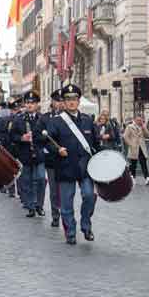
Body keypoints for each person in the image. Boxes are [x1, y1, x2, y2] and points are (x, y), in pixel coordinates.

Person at [41, 84, 98, 245]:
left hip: (85, 167)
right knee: (66, 203)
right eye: (68, 99)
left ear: (79, 101)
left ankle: (86, 225)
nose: (71, 102)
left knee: (89, 195)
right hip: (65, 166)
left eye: (74, 99)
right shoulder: (56, 122)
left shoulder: (87, 121)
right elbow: (47, 142)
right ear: (64, 103)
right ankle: (71, 232)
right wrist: (57, 150)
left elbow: (96, 144)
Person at [10, 91, 47, 218]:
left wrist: (37, 138)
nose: (29, 105)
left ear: (37, 104)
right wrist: (22, 138)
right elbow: (12, 136)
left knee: (41, 179)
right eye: (27, 103)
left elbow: (49, 136)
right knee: (27, 181)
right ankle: (31, 206)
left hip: (39, 154)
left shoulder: (43, 119)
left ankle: (39, 205)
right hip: (25, 154)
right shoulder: (19, 119)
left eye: (32, 103)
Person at [41, 89, 64, 227]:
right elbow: (39, 137)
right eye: (58, 101)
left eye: (62, 101)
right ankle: (56, 215)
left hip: (67, 159)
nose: (60, 103)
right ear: (53, 102)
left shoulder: (70, 117)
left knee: (66, 189)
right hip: (52, 160)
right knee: (54, 190)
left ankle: (66, 214)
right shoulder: (45, 118)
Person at [123, 116, 149, 186]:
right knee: (133, 164)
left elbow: (148, 135)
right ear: (135, 120)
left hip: (141, 147)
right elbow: (125, 136)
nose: (140, 121)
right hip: (134, 147)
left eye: (141, 120)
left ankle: (147, 178)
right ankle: (132, 178)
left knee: (143, 162)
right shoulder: (130, 127)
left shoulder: (142, 127)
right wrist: (130, 144)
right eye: (138, 120)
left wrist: (144, 127)